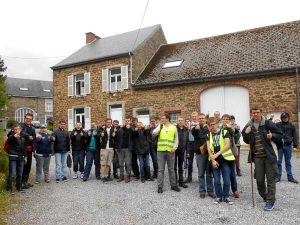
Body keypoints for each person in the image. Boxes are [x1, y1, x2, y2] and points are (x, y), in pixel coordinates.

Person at [242, 106, 282, 211]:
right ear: (251, 113)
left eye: (257, 112)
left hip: (269, 156)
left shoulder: (268, 124)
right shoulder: (249, 125)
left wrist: (272, 135)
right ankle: (265, 196)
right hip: (257, 157)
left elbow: (279, 134)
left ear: (261, 112)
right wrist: (246, 133)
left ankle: (270, 202)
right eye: (253, 112)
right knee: (259, 180)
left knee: (270, 180)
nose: (255, 114)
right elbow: (246, 140)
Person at [207, 116, 235, 205]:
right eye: (210, 125)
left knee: (226, 179)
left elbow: (227, 145)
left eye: (213, 124)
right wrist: (213, 160)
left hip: (225, 159)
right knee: (217, 180)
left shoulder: (225, 131)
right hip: (214, 160)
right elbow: (209, 149)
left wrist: (217, 154)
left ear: (217, 124)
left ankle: (226, 196)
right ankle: (219, 196)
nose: (212, 126)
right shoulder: (208, 135)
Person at [153, 114, 180, 193]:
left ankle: (173, 185)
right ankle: (160, 187)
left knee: (171, 169)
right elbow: (153, 133)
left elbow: (176, 139)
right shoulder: (160, 126)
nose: (162, 119)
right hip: (160, 151)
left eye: (163, 118)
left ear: (167, 119)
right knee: (161, 170)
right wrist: (156, 133)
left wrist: (175, 147)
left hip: (170, 151)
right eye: (162, 118)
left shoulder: (173, 127)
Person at [192, 113, 215, 198]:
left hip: (209, 154)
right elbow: (194, 134)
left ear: (205, 119)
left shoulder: (209, 128)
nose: (201, 119)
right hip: (200, 154)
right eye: (200, 118)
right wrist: (195, 129)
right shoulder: (195, 129)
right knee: (201, 173)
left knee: (209, 173)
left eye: (203, 118)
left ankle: (210, 191)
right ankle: (202, 191)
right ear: (198, 119)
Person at [276, 112, 298, 184]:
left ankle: (290, 177)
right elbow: (271, 128)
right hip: (280, 146)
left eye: (285, 117)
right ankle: (278, 176)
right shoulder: (277, 125)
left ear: (288, 118)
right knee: (278, 161)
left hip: (288, 146)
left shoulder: (292, 125)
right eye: (283, 118)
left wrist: (295, 145)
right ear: (281, 118)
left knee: (288, 162)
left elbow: (295, 136)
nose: (284, 119)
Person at [221, 114, 240, 199]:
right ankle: (226, 191)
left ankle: (234, 190)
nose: (225, 120)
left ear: (229, 120)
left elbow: (236, 135)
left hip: (231, 153)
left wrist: (230, 128)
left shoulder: (232, 128)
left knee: (232, 173)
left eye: (227, 119)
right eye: (223, 119)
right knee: (225, 173)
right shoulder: (219, 129)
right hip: (222, 154)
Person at [6, 124, 27, 193]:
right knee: (12, 173)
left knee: (20, 173)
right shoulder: (11, 136)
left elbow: (24, 148)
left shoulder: (22, 137)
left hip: (21, 157)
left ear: (20, 129)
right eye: (15, 129)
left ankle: (19, 187)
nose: (17, 130)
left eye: (18, 129)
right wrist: (14, 135)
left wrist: (25, 157)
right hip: (13, 157)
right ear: (13, 130)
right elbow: (9, 139)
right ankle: (9, 188)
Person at [20, 113, 36, 189]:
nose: (29, 120)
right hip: (22, 150)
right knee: (22, 166)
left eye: (30, 119)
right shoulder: (21, 126)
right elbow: (20, 133)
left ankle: (25, 182)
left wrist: (34, 150)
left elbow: (34, 139)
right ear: (24, 118)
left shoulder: (32, 128)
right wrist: (28, 136)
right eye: (27, 119)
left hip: (29, 150)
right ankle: (20, 183)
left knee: (28, 166)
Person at [116, 117, 133, 183]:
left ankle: (128, 176)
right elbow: (117, 139)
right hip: (121, 149)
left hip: (128, 149)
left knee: (128, 163)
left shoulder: (132, 128)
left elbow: (134, 134)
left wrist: (129, 129)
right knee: (120, 163)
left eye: (128, 121)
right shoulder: (120, 129)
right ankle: (122, 176)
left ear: (130, 121)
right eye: (126, 121)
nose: (127, 122)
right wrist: (117, 147)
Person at [184, 111, 199, 183]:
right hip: (190, 144)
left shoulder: (199, 123)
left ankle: (200, 177)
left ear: (197, 117)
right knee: (189, 162)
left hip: (197, 143)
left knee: (199, 161)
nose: (194, 117)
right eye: (193, 116)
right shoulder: (188, 124)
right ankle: (189, 177)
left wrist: (196, 124)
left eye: (195, 116)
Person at [175, 117, 189, 188]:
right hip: (174, 151)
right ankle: (174, 182)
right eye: (179, 120)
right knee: (173, 167)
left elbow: (187, 141)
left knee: (180, 167)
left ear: (183, 121)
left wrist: (187, 151)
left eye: (181, 120)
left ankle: (181, 182)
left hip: (182, 151)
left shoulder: (186, 129)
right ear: (177, 121)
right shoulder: (174, 128)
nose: (180, 122)